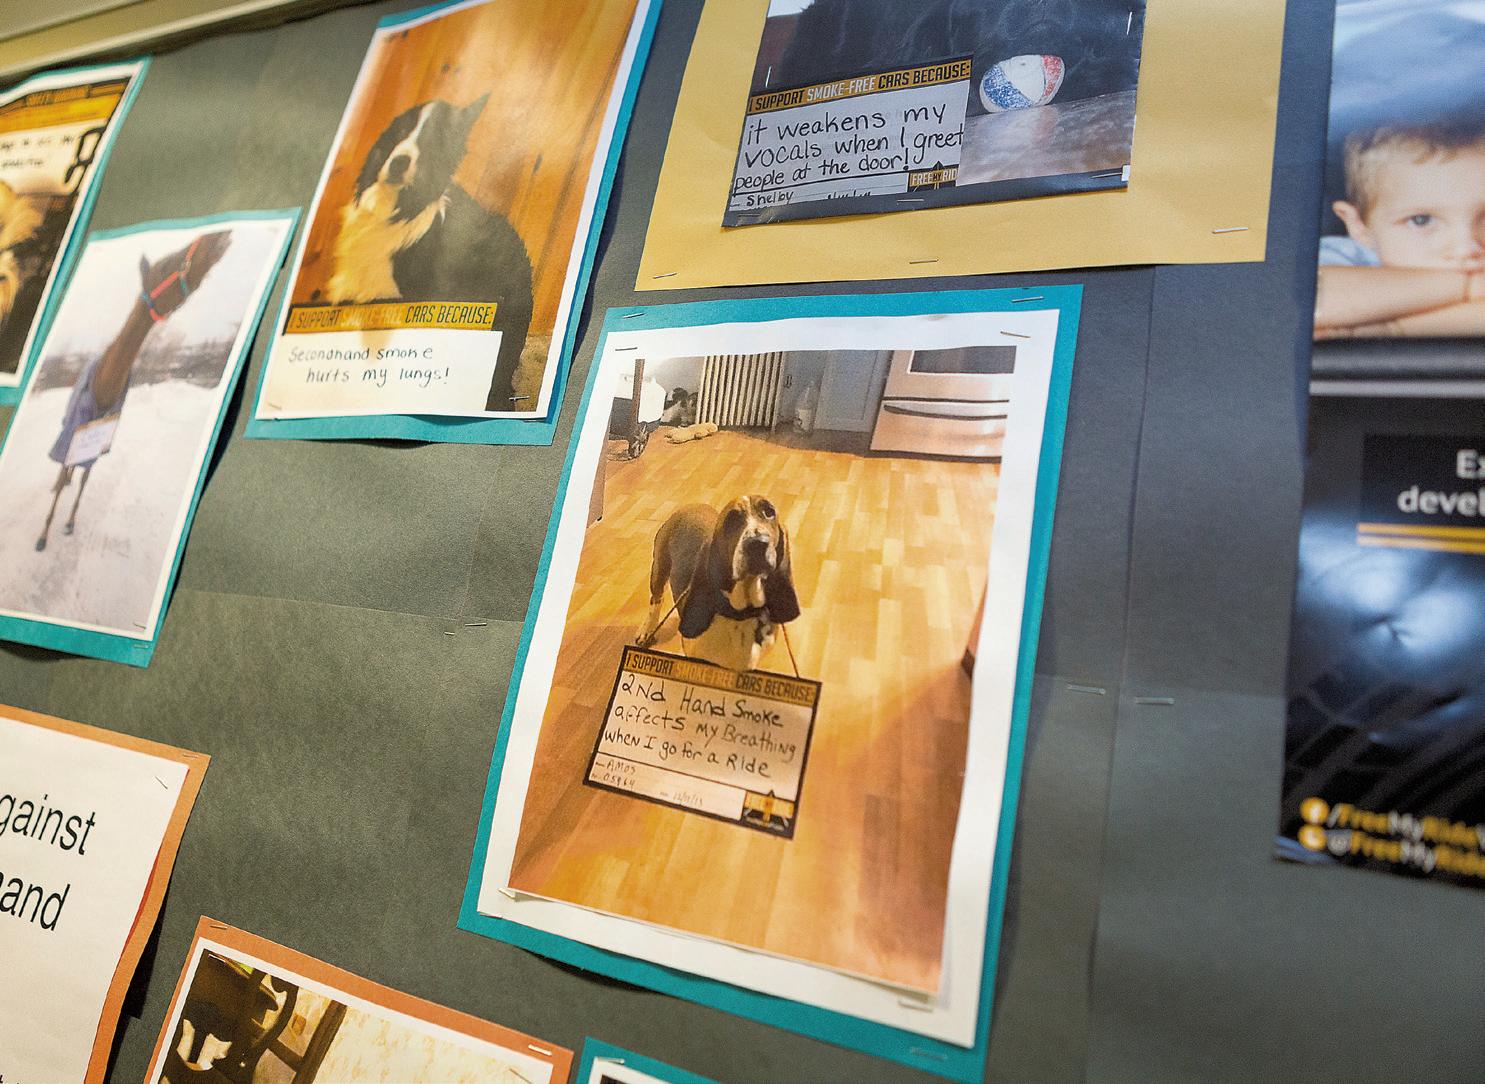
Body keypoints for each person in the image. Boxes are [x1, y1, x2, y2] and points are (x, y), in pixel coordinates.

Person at [1315, 120, 1485, 338]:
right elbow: (1303, 301)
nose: (1466, 248)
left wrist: (1392, 328)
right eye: (1422, 220)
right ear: (1360, 227)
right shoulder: (1350, 257)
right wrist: (1468, 286)